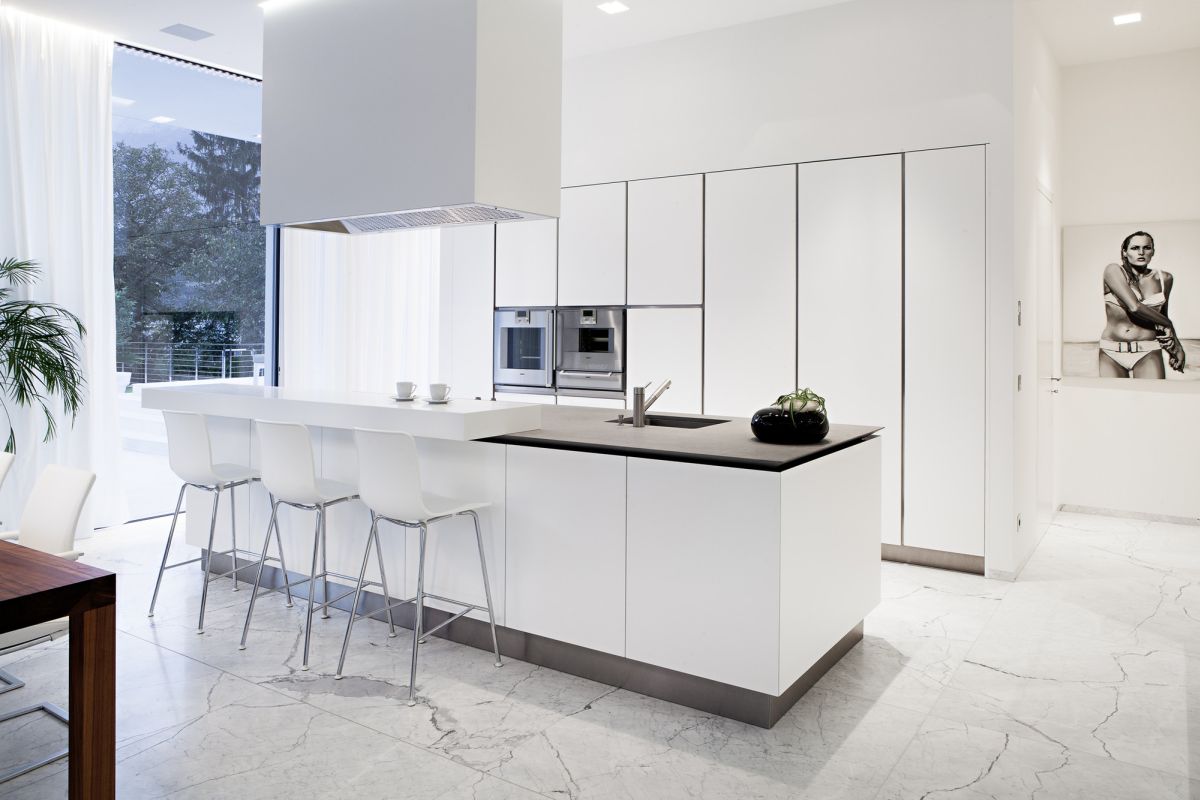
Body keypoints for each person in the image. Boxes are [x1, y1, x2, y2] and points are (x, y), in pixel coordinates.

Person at [1099, 230, 1185, 378]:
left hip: (1148, 350)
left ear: (1153, 251)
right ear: (1125, 252)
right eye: (1135, 248)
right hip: (1111, 352)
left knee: (1153, 399)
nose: (1141, 252)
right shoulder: (1113, 270)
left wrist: (1176, 346)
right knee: (1112, 400)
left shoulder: (1165, 278)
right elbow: (1135, 307)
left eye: (1146, 248)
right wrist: (1169, 324)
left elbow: (1160, 317)